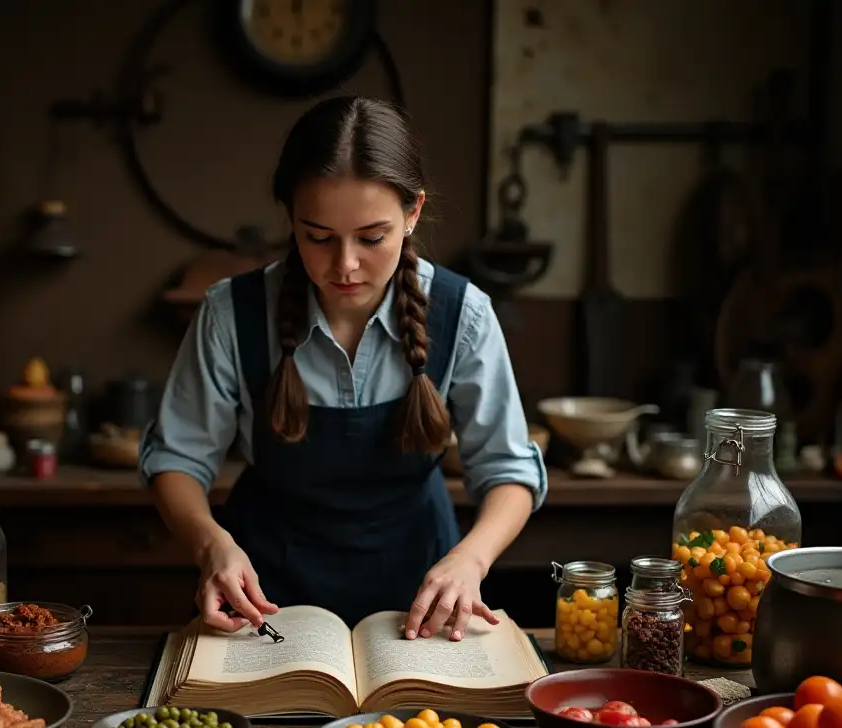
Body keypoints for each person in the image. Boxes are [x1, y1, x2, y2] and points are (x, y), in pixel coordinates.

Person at [139, 95, 546, 642]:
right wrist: (211, 544)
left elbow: (510, 471)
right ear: (290, 218)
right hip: (265, 601)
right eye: (319, 237)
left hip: (420, 602)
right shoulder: (230, 314)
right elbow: (176, 459)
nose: (346, 264)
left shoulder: (463, 313)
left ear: (413, 213)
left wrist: (471, 560)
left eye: (372, 238)